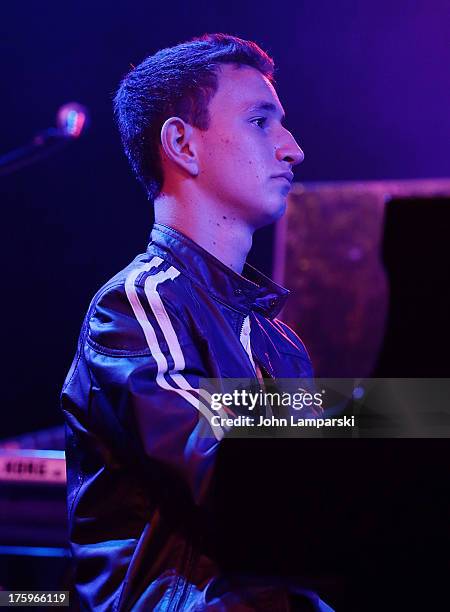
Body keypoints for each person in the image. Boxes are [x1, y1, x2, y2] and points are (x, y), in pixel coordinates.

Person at [61, 33, 332, 611]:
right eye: (262, 122)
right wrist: (405, 414)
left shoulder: (281, 344)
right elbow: (233, 472)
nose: (293, 148)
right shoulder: (138, 304)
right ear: (182, 144)